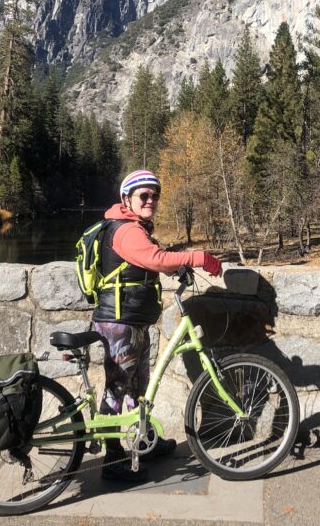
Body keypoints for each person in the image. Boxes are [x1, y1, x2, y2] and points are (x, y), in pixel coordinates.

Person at [93, 168, 223, 482]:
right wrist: (197, 257)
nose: (151, 200)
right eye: (143, 195)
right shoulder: (126, 230)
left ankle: (144, 439)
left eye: (155, 195)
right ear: (127, 198)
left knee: (140, 386)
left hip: (133, 320)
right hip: (119, 323)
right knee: (116, 389)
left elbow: (144, 264)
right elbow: (154, 259)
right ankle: (111, 460)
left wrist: (175, 270)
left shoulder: (135, 227)